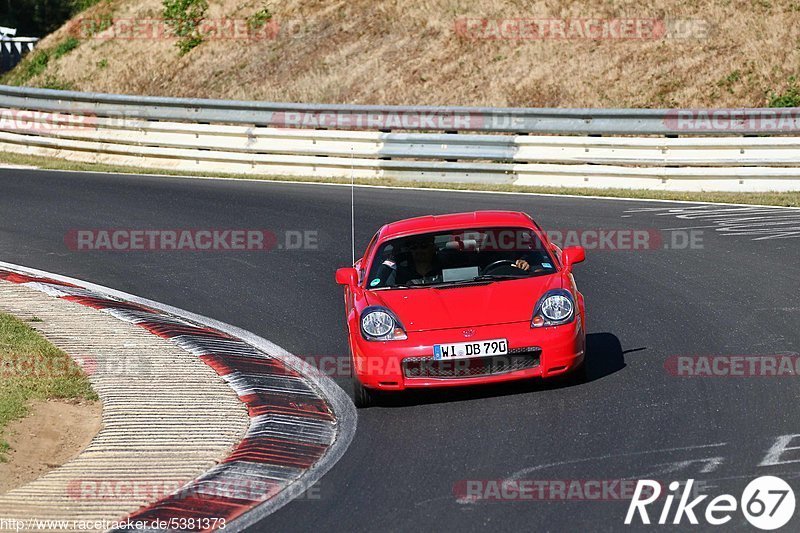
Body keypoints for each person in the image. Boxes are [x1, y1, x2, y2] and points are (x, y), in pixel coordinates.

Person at [395, 234, 530, 285]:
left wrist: (524, 266)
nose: (419, 251)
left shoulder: (449, 265)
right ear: (409, 250)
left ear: (433, 248)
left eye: (424, 246)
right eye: (415, 247)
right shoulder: (397, 272)